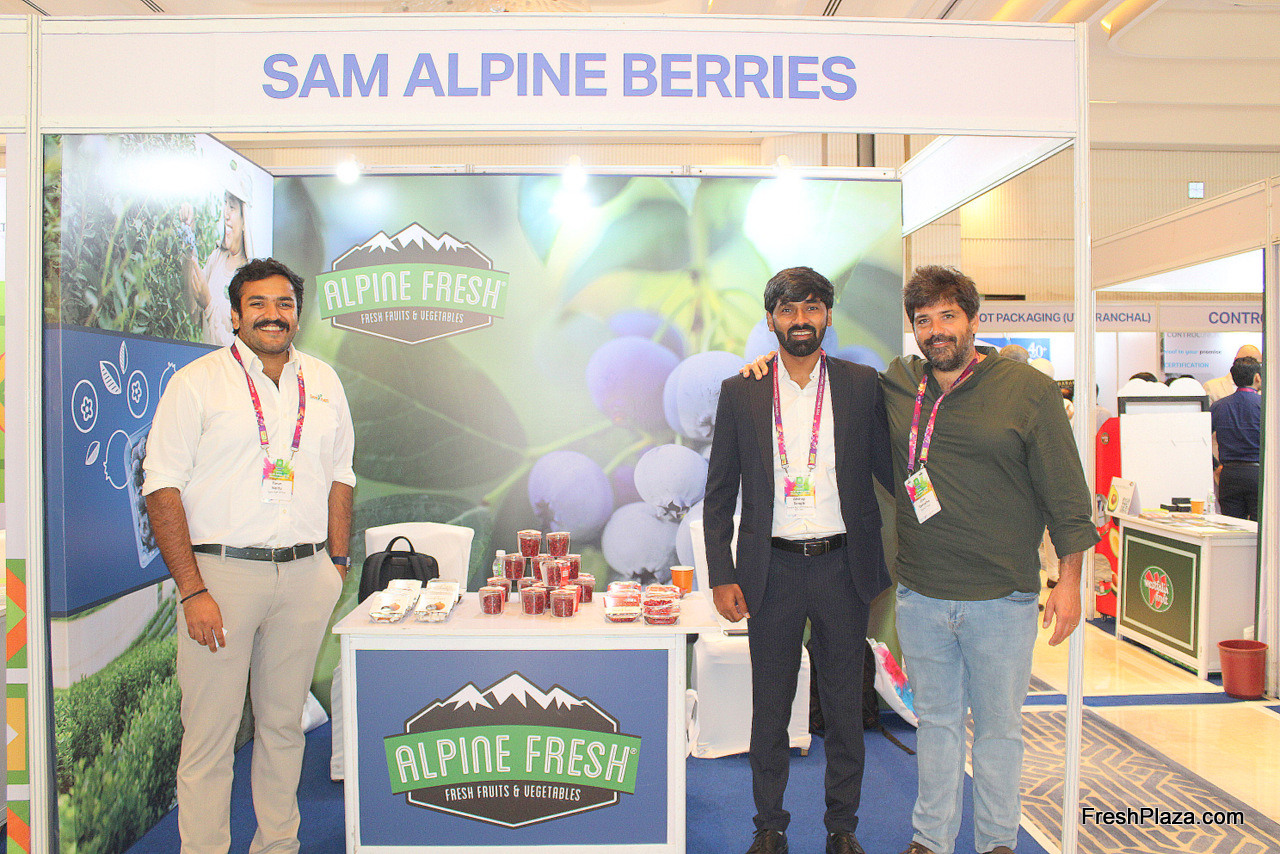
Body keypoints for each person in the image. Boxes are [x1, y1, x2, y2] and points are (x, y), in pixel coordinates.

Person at [882, 266, 1100, 854]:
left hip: (1002, 599)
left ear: (974, 321)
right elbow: (829, 387)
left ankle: (999, 840)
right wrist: (768, 366)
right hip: (922, 595)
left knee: (1000, 731)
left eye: (948, 316)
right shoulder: (900, 385)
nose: (936, 330)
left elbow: (1066, 493)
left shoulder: (1025, 389)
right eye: (923, 320)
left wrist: (1070, 582)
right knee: (936, 726)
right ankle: (931, 839)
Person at [143, 257, 356, 854]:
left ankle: (278, 844)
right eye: (257, 304)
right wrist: (192, 590)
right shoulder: (198, 383)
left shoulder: (323, 382)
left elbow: (341, 475)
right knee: (209, 737)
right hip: (221, 577)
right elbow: (161, 487)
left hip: (306, 574)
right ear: (235, 316)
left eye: (284, 304)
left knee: (283, 726)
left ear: (297, 315)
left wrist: (336, 565)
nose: (272, 315)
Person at [704, 266, 892, 854]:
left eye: (812, 307)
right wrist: (721, 575)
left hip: (843, 567)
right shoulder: (742, 391)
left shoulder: (862, 384)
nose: (801, 320)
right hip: (772, 570)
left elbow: (894, 469)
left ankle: (843, 829)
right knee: (770, 709)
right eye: (788, 310)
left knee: (843, 709)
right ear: (771, 321)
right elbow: (719, 494)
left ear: (828, 316)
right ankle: (769, 828)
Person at [180, 157, 255, 346]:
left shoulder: (252, 277)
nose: (225, 214)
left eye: (232, 207)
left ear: (244, 220)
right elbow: (192, 309)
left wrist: (209, 305)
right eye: (224, 204)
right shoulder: (217, 258)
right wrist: (188, 239)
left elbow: (240, 349)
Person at [1210, 356, 1262, 520]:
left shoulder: (1219, 406)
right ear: (1257, 377)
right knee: (1260, 526)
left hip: (1229, 475)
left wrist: (1215, 465)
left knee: (1231, 525)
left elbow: (1200, 439)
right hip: (1258, 474)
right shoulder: (1265, 405)